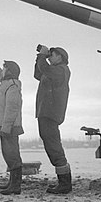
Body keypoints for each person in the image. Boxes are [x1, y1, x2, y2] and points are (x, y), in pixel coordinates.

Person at [34, 45, 72, 194]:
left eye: (53, 55)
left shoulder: (61, 70)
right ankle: (63, 182)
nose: (50, 57)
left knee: (54, 146)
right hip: (46, 112)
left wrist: (43, 56)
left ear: (61, 57)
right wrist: (40, 57)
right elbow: (38, 73)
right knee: (51, 144)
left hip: (50, 113)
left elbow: (45, 69)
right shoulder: (52, 71)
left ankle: (65, 184)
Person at [0, 55, 24, 195]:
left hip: (9, 127)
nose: (2, 70)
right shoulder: (6, 82)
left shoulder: (13, 85)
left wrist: (7, 127)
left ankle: (16, 186)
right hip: (4, 125)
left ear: (10, 71)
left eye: (4, 68)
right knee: (8, 154)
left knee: (12, 154)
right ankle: (12, 182)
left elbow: (12, 108)